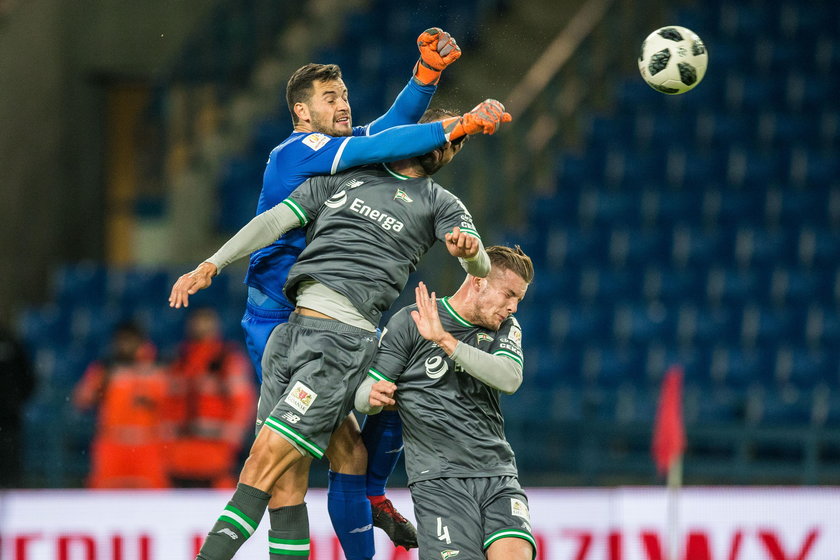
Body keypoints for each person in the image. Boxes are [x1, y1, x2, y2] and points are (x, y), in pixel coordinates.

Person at [168, 104, 511, 560]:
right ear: (416, 135)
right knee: (284, 483)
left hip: (341, 343)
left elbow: (480, 264)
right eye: (445, 134)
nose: (450, 146)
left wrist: (471, 255)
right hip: (291, 332)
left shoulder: (441, 203)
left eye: (457, 143)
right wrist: (211, 263)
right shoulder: (349, 173)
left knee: (263, 459)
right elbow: (273, 221)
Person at [228, 27, 460, 552]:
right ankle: (366, 499)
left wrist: (424, 78)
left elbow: (388, 128)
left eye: (346, 95)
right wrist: (457, 124)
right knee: (299, 471)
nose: (344, 104)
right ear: (302, 114)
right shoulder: (298, 152)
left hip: (324, 320)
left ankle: (370, 496)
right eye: (331, 97)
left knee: (374, 422)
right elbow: (386, 143)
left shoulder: (334, 153)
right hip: (280, 323)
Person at [356, 246, 536, 560]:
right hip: (439, 482)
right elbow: (364, 395)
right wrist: (370, 398)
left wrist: (445, 340)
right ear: (479, 282)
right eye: (509, 294)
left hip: (498, 474)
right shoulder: (411, 322)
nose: (514, 307)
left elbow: (509, 378)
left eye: (518, 299)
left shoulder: (504, 328)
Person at [165, 307, 257, 488]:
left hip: (216, 452)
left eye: (206, 321)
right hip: (179, 453)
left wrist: (231, 440)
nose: (201, 327)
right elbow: (167, 402)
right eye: (198, 321)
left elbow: (243, 402)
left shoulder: (226, 359)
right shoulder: (179, 359)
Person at [72, 321, 169, 488]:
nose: (125, 345)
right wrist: (99, 384)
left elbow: (169, 406)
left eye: (130, 340)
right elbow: (81, 400)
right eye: (122, 341)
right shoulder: (106, 369)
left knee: (152, 499)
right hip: (112, 444)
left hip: (147, 446)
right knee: (105, 496)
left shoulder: (158, 369)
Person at [0, 323, 36, 488]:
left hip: (8, 419)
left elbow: (28, 378)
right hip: (10, 416)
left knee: (10, 468)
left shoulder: (10, 343)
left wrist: (14, 401)